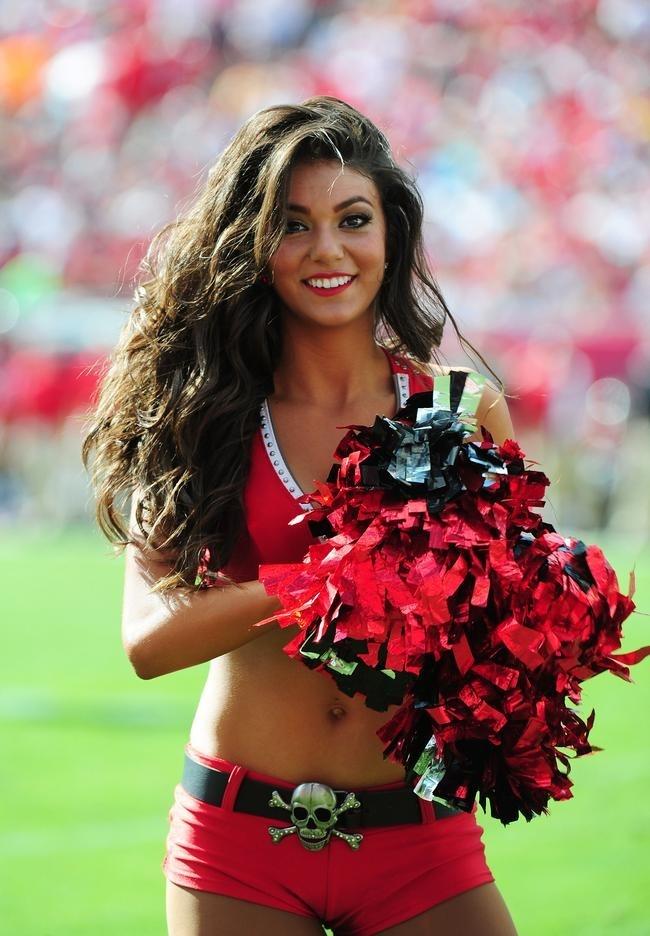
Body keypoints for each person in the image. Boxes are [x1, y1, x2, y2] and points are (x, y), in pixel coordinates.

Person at [83, 97, 519, 936]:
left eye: (353, 219)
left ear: (389, 234)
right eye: (293, 224)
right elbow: (147, 642)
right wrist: (326, 583)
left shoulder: (464, 409)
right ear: (253, 244)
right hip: (238, 841)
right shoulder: (199, 414)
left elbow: (508, 631)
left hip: (420, 835)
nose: (328, 249)